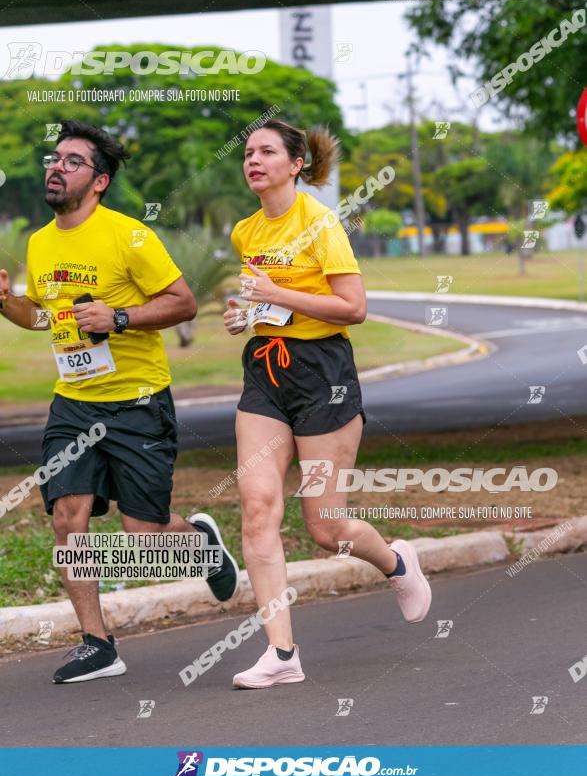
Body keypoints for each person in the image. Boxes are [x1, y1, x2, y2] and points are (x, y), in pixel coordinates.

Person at [0, 120, 239, 684]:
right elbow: (42, 316)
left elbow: (182, 301)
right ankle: (98, 643)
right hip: (74, 403)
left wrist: (120, 317)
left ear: (100, 180)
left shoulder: (128, 236)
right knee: (67, 517)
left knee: (145, 538)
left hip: (138, 403)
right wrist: (5, 303)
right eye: (53, 159)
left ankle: (200, 543)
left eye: (71, 162)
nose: (56, 168)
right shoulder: (41, 240)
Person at [223, 118, 431, 689]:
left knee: (325, 524)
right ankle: (282, 654)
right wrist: (245, 315)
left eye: (267, 152)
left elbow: (354, 307)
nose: (254, 160)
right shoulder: (246, 232)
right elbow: (265, 307)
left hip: (324, 378)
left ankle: (396, 562)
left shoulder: (320, 224)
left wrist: (274, 294)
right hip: (266, 371)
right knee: (258, 506)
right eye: (248, 153)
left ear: (296, 165)